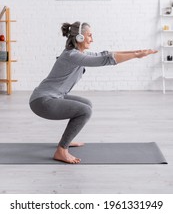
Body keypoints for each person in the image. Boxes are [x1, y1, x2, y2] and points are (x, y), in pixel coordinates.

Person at [29, 21, 158, 164]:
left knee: (86, 104)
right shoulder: (72, 56)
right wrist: (135, 56)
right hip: (42, 102)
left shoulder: (77, 53)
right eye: (89, 35)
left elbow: (105, 54)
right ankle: (61, 150)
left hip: (53, 97)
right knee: (85, 111)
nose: (92, 39)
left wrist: (137, 52)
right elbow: (104, 60)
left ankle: (67, 140)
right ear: (79, 38)